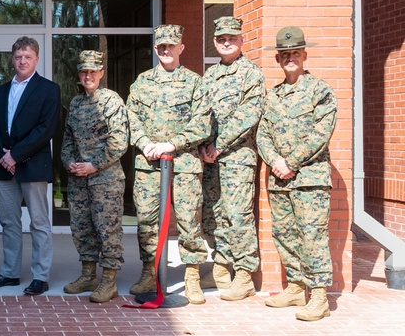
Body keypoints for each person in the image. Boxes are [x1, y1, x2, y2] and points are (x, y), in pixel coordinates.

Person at [126, 24, 211, 304]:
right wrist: (145, 143)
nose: (166, 50)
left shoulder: (195, 82)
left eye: (171, 45)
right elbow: (131, 118)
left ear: (180, 48)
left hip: (183, 163)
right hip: (149, 164)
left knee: (188, 221)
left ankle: (192, 276)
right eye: (161, 46)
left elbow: (202, 123)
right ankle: (149, 273)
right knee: (147, 222)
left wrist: (172, 144)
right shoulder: (142, 82)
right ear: (155, 49)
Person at [257, 26, 337, 321]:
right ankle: (295, 286)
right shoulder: (273, 96)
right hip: (279, 179)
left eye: (295, 53)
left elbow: (321, 134)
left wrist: (290, 162)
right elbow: (262, 133)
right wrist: (274, 160)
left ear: (304, 55)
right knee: (285, 234)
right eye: (285, 54)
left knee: (312, 235)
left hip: (309, 180)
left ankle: (319, 297)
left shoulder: (320, 91)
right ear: (278, 59)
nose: (290, 58)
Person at [0, 37, 60, 296]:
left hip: (33, 165)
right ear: (12, 59)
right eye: (18, 57)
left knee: (39, 222)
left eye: (27, 57)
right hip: (5, 167)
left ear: (36, 59)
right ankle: (10, 272)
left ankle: (40, 276)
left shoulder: (49, 89)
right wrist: (4, 157)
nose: (22, 61)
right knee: (9, 222)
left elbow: (45, 129)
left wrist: (15, 155)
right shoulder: (1, 91)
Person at [199, 16, 265, 301]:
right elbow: (200, 114)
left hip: (237, 157)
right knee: (213, 213)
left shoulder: (252, 74)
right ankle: (221, 265)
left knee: (238, 215)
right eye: (221, 38)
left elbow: (248, 116)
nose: (226, 42)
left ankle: (245, 274)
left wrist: (219, 146)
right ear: (215, 42)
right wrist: (203, 145)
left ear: (241, 40)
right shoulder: (209, 76)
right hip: (211, 158)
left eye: (232, 38)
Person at [60, 50, 129, 303]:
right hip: (78, 179)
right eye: (83, 71)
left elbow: (119, 141)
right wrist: (69, 162)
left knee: (107, 229)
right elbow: (67, 138)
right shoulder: (76, 103)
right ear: (79, 74)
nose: (88, 76)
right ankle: (88, 275)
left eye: (92, 71)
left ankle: (109, 281)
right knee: (81, 228)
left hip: (105, 179)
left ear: (101, 72)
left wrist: (94, 165)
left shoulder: (111, 101)